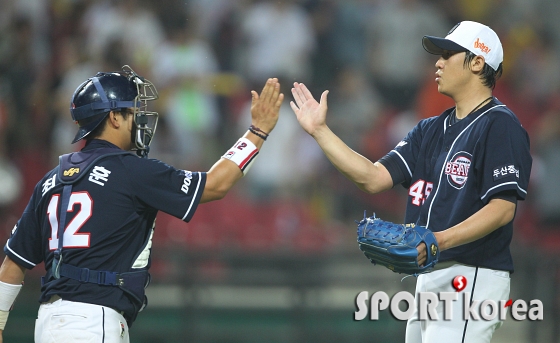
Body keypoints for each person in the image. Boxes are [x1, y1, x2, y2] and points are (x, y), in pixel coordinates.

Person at [0, 65, 283, 342]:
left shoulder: (51, 181)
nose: (140, 119)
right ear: (113, 118)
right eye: (133, 111)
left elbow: (12, 266)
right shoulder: (130, 170)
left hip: (49, 323)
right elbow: (216, 184)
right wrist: (257, 132)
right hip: (92, 324)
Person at [290, 21, 532, 343]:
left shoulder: (499, 124)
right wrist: (321, 131)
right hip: (430, 276)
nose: (438, 62)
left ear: (477, 62)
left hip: (470, 274)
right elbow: (373, 178)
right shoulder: (429, 129)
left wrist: (437, 240)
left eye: (448, 54)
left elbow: (502, 209)